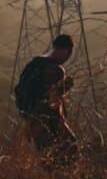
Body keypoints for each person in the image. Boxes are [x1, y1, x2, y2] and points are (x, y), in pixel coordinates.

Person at [15, 33, 77, 162]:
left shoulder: (33, 64)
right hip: (47, 122)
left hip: (31, 120)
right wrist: (64, 88)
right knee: (69, 148)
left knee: (45, 156)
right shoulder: (56, 70)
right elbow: (52, 101)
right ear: (66, 51)